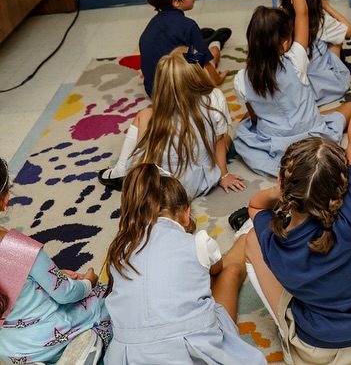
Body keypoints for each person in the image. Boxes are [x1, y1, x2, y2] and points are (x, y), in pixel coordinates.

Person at [243, 16, 351, 364]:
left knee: (249, 241)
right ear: (342, 188)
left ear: (283, 184)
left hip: (318, 349)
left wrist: (277, 196)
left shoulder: (276, 240)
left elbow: (255, 207)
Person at [103, 164, 265, 364]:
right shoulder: (196, 243)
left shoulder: (118, 252)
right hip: (190, 350)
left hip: (130, 356)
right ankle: (248, 231)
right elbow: (217, 269)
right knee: (228, 271)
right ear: (187, 214)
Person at [233, 0, 351, 177]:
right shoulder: (297, 60)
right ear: (285, 43)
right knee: (349, 107)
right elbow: (302, 13)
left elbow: (255, 117)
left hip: (274, 143)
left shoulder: (241, 79)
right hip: (312, 136)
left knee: (242, 130)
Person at [0, 157, 111, 364]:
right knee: (105, 297)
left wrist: (54, 274)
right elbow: (65, 293)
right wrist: (88, 283)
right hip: (46, 336)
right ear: (4, 199)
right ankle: (85, 348)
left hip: (10, 348)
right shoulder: (18, 248)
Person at [96, 47, 245, 198]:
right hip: (197, 180)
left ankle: (121, 170)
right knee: (224, 138)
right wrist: (223, 176)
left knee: (143, 115)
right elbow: (218, 142)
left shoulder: (160, 107)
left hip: (160, 182)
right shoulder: (214, 97)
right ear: (197, 73)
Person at [138, 0, 231, 96]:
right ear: (175, 2)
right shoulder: (188, 26)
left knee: (190, 52)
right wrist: (219, 79)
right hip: (182, 92)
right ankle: (214, 42)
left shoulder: (151, 25)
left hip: (154, 91)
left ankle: (200, 42)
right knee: (213, 54)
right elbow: (204, 65)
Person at [280, 0, 351, 105]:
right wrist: (328, 7)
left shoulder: (280, 21)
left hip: (293, 88)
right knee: (336, 40)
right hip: (325, 85)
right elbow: (350, 31)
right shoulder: (321, 21)